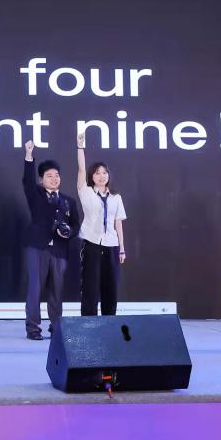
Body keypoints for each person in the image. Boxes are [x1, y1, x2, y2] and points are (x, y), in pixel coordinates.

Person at [23, 141, 81, 341]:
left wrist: (69, 232)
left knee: (57, 291)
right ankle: (33, 328)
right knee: (35, 290)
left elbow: (76, 224)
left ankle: (56, 327)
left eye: (57, 175)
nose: (54, 179)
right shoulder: (35, 194)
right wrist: (29, 156)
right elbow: (27, 179)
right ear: (41, 180)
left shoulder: (68, 201)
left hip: (59, 250)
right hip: (37, 248)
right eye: (49, 176)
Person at [75, 131, 127, 317]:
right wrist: (80, 147)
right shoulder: (86, 191)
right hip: (92, 244)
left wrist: (122, 248)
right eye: (97, 173)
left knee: (110, 287)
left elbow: (118, 223)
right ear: (92, 176)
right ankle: (89, 323)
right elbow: (81, 169)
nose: (101, 176)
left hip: (111, 245)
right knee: (90, 287)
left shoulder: (116, 197)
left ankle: (109, 322)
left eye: (104, 173)